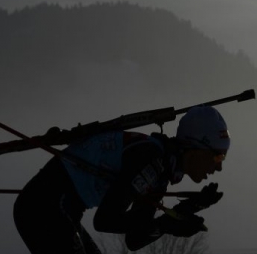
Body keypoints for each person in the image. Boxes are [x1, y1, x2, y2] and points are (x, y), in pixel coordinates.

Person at [13, 106, 230, 254]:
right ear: (195, 148)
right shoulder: (150, 159)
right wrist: (168, 224)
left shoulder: (161, 168)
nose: (219, 166)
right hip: (44, 208)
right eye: (218, 156)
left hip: (59, 210)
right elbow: (105, 220)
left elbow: (134, 240)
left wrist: (188, 209)